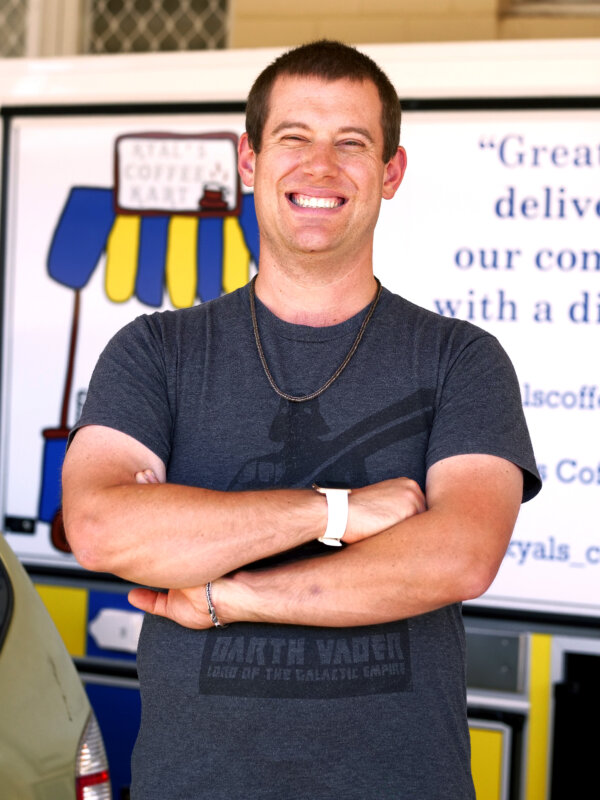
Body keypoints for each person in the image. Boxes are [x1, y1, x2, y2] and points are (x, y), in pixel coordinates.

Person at [62, 39, 541, 800]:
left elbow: (458, 558)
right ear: (249, 161)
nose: (320, 168)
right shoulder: (157, 352)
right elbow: (99, 527)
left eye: (352, 143)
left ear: (391, 173)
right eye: (295, 138)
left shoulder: (461, 359)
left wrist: (230, 596)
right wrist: (341, 512)